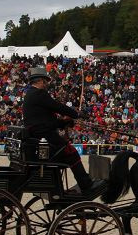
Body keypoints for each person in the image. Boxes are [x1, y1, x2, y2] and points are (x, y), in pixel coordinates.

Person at [22, 66, 95, 195]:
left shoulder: (30, 94)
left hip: (39, 133)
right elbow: (57, 107)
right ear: (41, 81)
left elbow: (45, 121)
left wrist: (63, 122)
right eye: (45, 81)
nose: (46, 84)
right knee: (71, 153)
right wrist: (75, 114)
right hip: (44, 135)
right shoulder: (39, 94)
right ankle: (86, 184)